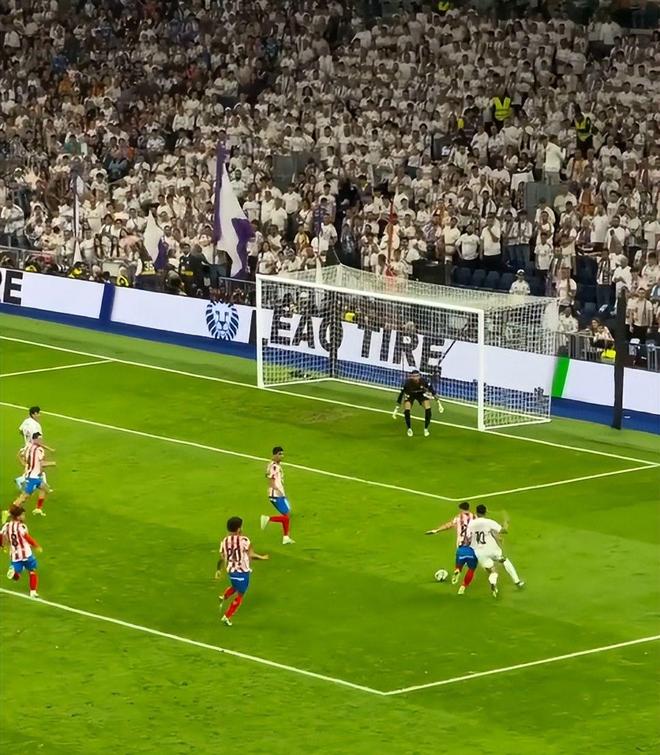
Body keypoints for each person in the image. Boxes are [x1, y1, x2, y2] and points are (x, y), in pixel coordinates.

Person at [215, 516, 268, 627]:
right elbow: (251, 555)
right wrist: (262, 557)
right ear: (239, 529)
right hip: (242, 572)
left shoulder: (224, 541)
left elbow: (222, 557)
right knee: (240, 594)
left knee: (235, 586)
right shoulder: (244, 540)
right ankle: (227, 616)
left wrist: (218, 570)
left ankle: (223, 597)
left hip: (231, 571)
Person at [466, 504, 524, 597]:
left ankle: (493, 583)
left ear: (476, 512)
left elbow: (468, 537)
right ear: (485, 512)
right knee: (505, 561)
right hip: (491, 549)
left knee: (493, 571)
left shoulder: (471, 524)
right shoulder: (489, 522)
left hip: (479, 552)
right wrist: (506, 522)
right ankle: (517, 582)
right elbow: (503, 530)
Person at [425, 501, 476, 586]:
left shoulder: (458, 517)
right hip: (472, 543)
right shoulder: (474, 517)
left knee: (461, 559)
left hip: (461, 543)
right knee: (472, 563)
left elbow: (449, 525)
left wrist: (437, 530)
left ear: (461, 509)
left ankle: (458, 569)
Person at [0, 504, 42, 598]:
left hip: (15, 555)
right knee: (32, 571)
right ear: (18, 516)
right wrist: (36, 545)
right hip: (26, 553)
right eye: (23, 515)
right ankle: (33, 592)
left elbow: (1, 536)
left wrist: (2, 546)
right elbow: (27, 537)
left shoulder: (7, 526)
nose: (24, 516)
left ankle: (13, 573)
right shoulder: (21, 526)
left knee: (17, 576)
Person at [13, 433, 56, 516]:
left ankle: (38, 509)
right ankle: (8, 512)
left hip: (34, 475)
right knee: (24, 497)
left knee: (44, 488)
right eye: (39, 439)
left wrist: (26, 465)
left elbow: (23, 458)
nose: (41, 441)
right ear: (34, 439)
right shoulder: (39, 450)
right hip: (33, 478)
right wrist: (52, 463)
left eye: (41, 439)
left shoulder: (28, 447)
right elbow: (42, 464)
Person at [393, 369, 444, 438]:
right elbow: (401, 395)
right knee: (407, 410)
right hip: (410, 395)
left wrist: (439, 403)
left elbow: (432, 391)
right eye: (414, 376)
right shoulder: (407, 384)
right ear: (411, 377)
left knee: (428, 408)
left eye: (417, 376)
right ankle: (409, 429)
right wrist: (396, 409)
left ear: (419, 376)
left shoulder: (424, 381)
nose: (415, 378)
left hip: (420, 394)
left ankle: (426, 429)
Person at [260, 446, 295, 545]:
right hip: (276, 495)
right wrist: (277, 491)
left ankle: (286, 537)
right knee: (287, 516)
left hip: (278, 494)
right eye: (279, 454)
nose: (282, 456)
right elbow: (270, 479)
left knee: (287, 515)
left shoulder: (273, 465)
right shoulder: (274, 466)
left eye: (282, 454)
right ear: (274, 455)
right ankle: (267, 518)